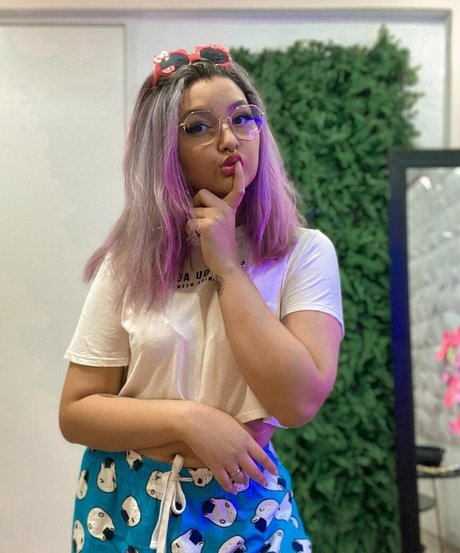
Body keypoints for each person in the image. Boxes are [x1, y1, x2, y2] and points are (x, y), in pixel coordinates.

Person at [59, 44, 343, 553]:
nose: (230, 139)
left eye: (242, 118)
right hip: (121, 503)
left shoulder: (302, 252)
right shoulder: (130, 261)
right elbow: (77, 412)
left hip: (244, 505)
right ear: (164, 149)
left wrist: (227, 266)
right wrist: (190, 421)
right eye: (198, 127)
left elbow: (298, 400)